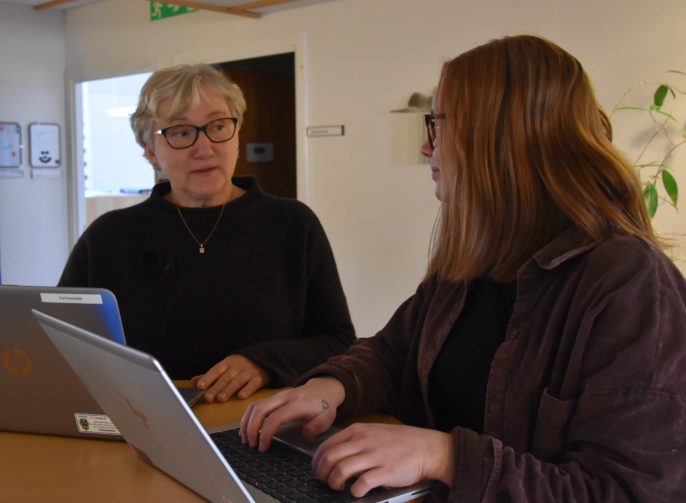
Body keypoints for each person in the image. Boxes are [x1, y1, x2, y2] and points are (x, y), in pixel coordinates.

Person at [240, 35, 686, 502]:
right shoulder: (475, 256)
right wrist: (331, 388)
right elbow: (394, 353)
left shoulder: (631, 286)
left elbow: (628, 491)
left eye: (437, 125)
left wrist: (447, 457)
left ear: (500, 135)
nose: (424, 148)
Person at [0, 64, 355, 427]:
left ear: (236, 133)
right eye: (181, 133)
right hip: (146, 433)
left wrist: (264, 362)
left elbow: (338, 339)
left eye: (218, 126)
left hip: (264, 431)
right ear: (150, 149)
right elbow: (52, 341)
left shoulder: (292, 224)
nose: (204, 147)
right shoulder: (109, 236)